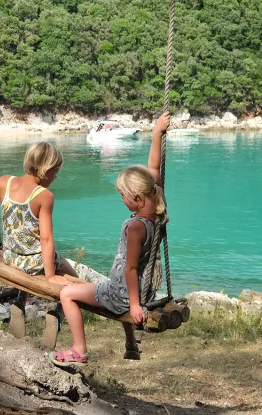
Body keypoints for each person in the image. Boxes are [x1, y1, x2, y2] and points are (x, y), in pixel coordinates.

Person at [48, 112, 170, 368]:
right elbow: (154, 170)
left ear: (137, 197)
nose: (122, 200)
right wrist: (157, 133)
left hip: (123, 296)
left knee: (68, 294)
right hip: (139, 289)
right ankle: (130, 344)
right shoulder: (156, 213)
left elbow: (131, 267)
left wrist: (135, 306)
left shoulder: (135, 226)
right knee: (101, 284)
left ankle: (79, 350)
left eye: (123, 196)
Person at [0, 142, 78, 284]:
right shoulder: (44, 195)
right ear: (46, 169)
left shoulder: (4, 182)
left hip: (11, 258)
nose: (55, 177)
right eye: (55, 172)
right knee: (74, 278)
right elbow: (46, 239)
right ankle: (61, 306)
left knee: (30, 245)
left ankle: (21, 302)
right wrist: (51, 276)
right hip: (34, 263)